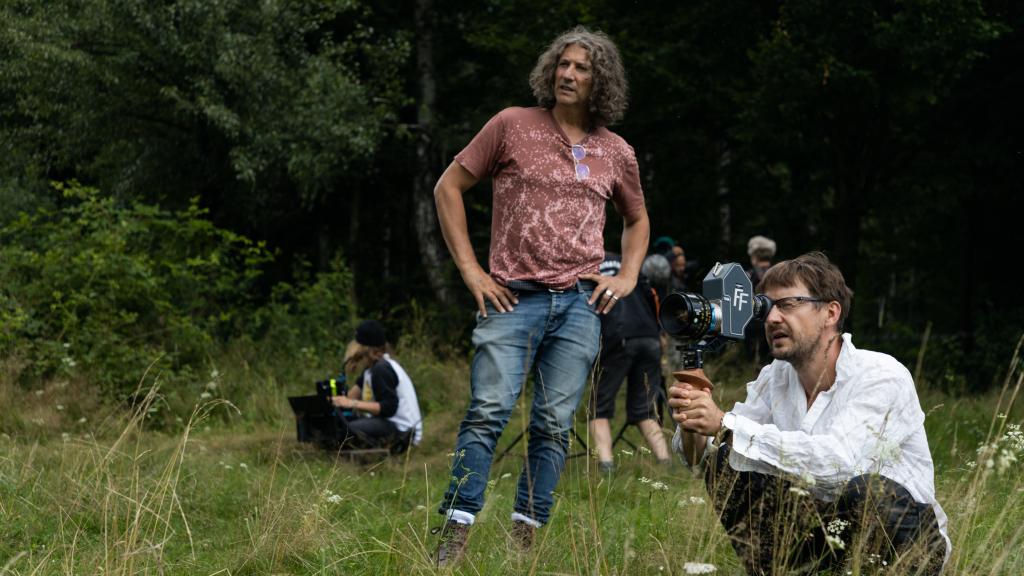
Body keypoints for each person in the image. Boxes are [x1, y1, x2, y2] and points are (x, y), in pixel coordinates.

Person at [432, 25, 649, 566]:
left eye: (582, 68)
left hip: (580, 305)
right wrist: (471, 272)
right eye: (563, 64)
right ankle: (452, 538)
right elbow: (448, 188)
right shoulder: (511, 124)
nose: (568, 74)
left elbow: (637, 219)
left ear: (601, 81)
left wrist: (626, 276)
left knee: (553, 426)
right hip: (511, 298)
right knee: (487, 413)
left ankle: (522, 546)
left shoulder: (616, 151)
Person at [669, 252, 949, 575]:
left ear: (831, 312)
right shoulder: (774, 377)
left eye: (787, 304)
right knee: (725, 461)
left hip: (907, 542)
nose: (772, 319)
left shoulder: (881, 375)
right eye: (766, 308)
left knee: (867, 490)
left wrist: (724, 424)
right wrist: (693, 419)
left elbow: (839, 463)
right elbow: (702, 458)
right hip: (823, 531)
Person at [588, 252, 670, 474]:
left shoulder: (587, 264)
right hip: (650, 336)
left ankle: (606, 465)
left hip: (617, 336)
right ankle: (665, 462)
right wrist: (660, 331)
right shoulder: (627, 262)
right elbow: (651, 294)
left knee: (598, 406)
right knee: (645, 408)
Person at [329, 320, 423, 451]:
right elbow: (350, 396)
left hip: (403, 433)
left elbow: (388, 408)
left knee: (347, 430)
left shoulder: (381, 369)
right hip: (390, 425)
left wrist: (351, 404)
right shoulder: (370, 371)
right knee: (339, 423)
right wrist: (333, 401)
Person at [744, 235, 776, 365]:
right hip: (774, 320)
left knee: (754, 361)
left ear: (754, 257)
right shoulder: (779, 273)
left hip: (752, 323)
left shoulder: (747, 275)